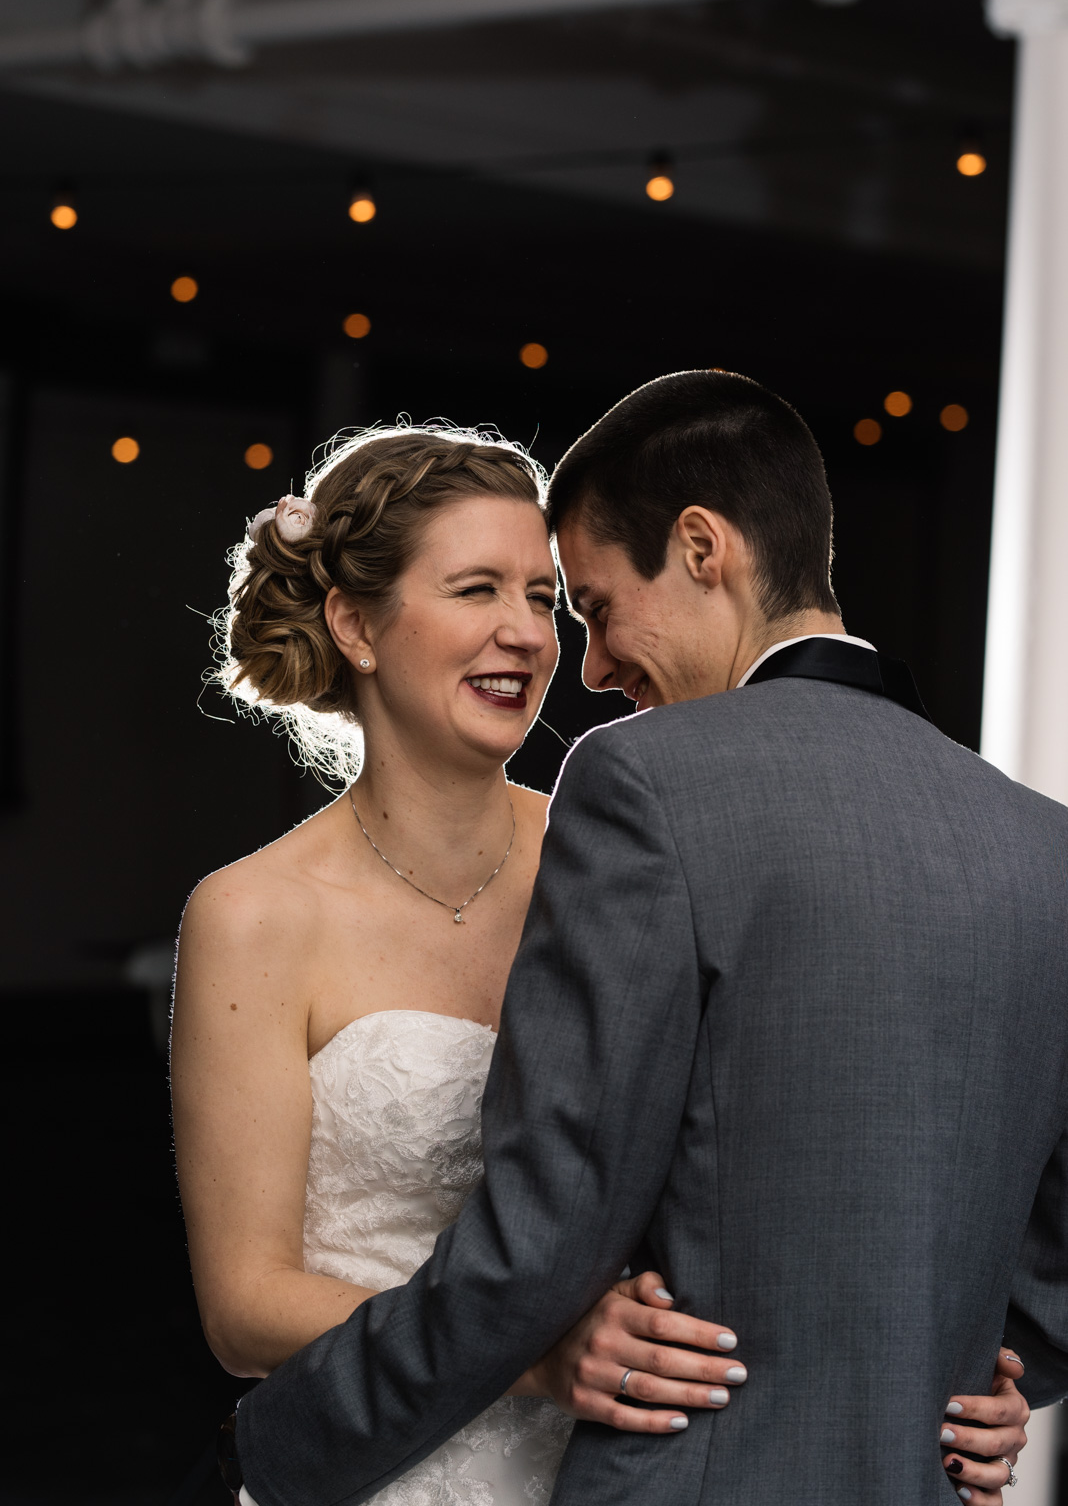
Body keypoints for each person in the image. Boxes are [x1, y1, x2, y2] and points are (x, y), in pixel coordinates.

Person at [227, 372, 1067, 1506]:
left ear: (704, 547)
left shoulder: (642, 784)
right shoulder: (1039, 838)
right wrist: (991, 1368)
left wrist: (279, 1450)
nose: (591, 665)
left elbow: (547, 1232)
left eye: (592, 606)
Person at [174, 425, 766, 1506]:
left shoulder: (626, 862)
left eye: (545, 599)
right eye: (477, 589)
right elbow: (244, 1307)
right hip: (377, 1462)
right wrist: (536, 1357)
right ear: (355, 623)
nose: (525, 633)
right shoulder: (253, 914)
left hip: (624, 1467)